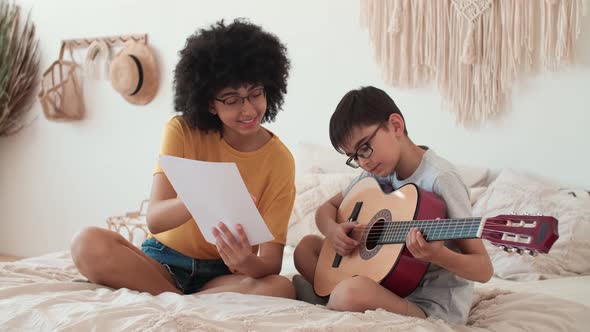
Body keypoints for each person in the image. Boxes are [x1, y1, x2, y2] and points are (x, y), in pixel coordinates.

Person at [71, 19, 296, 299]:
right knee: (86, 243)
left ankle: (171, 298)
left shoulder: (280, 160)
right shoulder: (181, 131)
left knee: (283, 288)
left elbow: (271, 264)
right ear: (209, 103)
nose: (248, 109)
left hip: (224, 275)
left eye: (255, 94)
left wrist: (245, 262)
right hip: (162, 263)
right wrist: (200, 196)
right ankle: (180, 299)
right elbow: (155, 219)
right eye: (232, 99)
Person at [293, 86, 493, 323]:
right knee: (306, 248)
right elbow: (326, 209)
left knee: (350, 293)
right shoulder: (377, 174)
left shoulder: (441, 179)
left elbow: (484, 270)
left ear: (396, 125)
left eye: (365, 148)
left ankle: (329, 298)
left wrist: (439, 255)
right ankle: (332, 296)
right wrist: (333, 230)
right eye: (354, 157)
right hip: (387, 284)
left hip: (428, 306)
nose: (363, 162)